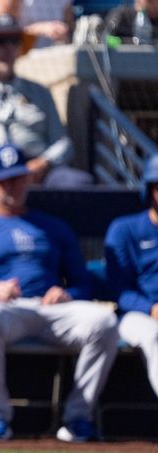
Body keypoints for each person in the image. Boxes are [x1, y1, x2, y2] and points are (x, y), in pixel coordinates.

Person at [0, 143, 119, 443]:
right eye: (4, 180)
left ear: (29, 179)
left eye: (18, 178)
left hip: (51, 309)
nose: (12, 186)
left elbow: (83, 283)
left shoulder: (53, 227)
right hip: (6, 311)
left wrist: (67, 294)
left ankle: (78, 418)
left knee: (104, 323)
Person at [0, 15, 93, 188]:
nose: (7, 48)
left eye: (14, 41)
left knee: (78, 182)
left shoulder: (40, 91)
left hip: (34, 167)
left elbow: (62, 142)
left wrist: (44, 162)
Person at [104, 153, 158, 400]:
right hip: (137, 316)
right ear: (150, 189)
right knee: (154, 335)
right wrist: (152, 308)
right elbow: (119, 290)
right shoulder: (124, 229)